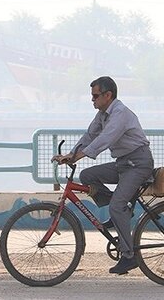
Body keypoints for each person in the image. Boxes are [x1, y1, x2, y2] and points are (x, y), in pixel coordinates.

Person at [52, 76, 154, 275]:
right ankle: (121, 212)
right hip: (123, 163)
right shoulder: (102, 114)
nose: (93, 100)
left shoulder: (120, 113)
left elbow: (106, 139)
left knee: (116, 206)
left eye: (95, 96)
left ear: (108, 95)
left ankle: (128, 256)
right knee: (87, 175)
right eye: (92, 96)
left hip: (138, 164)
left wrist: (80, 155)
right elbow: (89, 136)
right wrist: (71, 155)